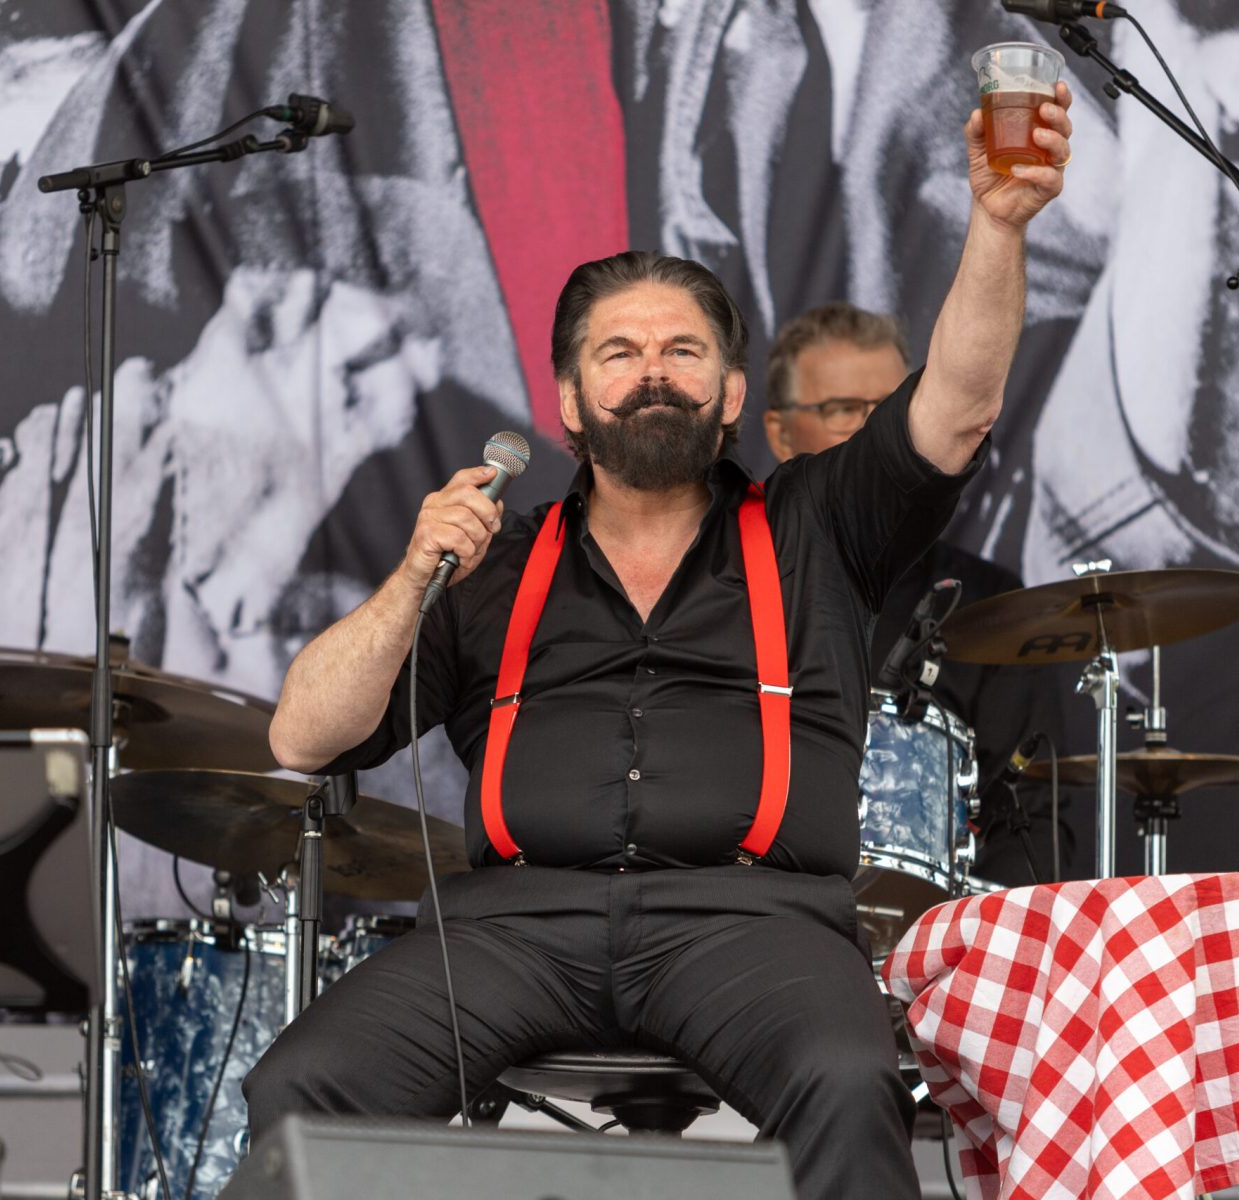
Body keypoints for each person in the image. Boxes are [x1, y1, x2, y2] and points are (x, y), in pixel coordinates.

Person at [242, 88, 1073, 1199]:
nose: (652, 371)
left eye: (684, 350)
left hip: (752, 922)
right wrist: (413, 576)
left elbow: (957, 406)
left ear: (730, 395)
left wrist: (999, 224)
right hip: (511, 926)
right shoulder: (492, 562)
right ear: (569, 400)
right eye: (619, 351)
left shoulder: (819, 525)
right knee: (303, 1081)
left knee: (847, 1081)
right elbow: (301, 738)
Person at [762, 301, 1077, 885]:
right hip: (758, 909)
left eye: (889, 410)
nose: (871, 432)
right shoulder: (734, 580)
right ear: (779, 433)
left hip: (934, 923)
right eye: (841, 409)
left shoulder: (991, 604)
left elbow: (1030, 815)